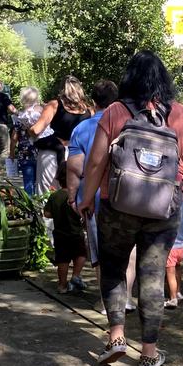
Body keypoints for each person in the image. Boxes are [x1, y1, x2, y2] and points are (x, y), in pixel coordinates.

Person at [79, 51, 183, 366]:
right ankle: (149, 352)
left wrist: (86, 198)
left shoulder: (115, 112)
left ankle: (117, 336)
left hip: (118, 203)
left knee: (114, 268)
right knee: (152, 275)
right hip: (164, 209)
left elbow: (95, 162)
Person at [66, 80, 136, 313]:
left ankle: (107, 301)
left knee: (100, 248)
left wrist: (74, 195)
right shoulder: (130, 122)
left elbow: (75, 167)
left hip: (94, 195)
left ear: (93, 102)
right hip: (128, 194)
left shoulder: (82, 129)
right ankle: (125, 297)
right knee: (130, 247)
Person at [28, 75, 92, 195]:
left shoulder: (54, 105)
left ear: (62, 89)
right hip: (78, 155)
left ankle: (46, 213)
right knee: (74, 193)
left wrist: (28, 130)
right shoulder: (88, 110)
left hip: (52, 154)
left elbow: (36, 130)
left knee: (47, 194)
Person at [44, 162, 87, 294]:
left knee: (62, 260)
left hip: (60, 234)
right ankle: (75, 276)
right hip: (76, 233)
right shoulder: (78, 196)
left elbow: (47, 214)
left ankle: (62, 285)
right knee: (81, 254)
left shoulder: (55, 196)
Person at [13, 87, 42, 195]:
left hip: (24, 153)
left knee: (28, 182)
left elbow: (14, 137)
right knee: (40, 182)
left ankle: (29, 207)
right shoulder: (41, 115)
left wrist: (12, 153)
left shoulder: (20, 116)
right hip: (40, 151)